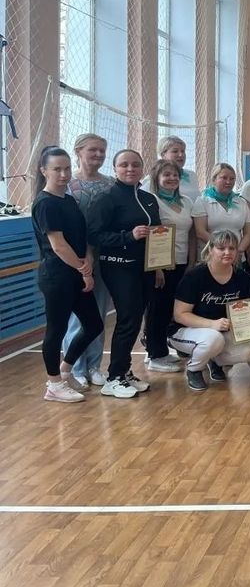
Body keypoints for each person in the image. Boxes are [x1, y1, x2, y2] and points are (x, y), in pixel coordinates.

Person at [87, 149, 162, 398]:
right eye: (124, 165)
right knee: (127, 320)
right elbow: (94, 235)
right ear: (115, 169)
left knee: (135, 319)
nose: (130, 169)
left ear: (142, 168)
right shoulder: (107, 198)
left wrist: (158, 266)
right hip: (118, 267)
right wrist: (128, 236)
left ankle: (124, 371)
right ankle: (114, 378)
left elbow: (157, 235)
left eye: (135, 164)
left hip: (144, 268)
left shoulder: (148, 198)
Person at [170, 229, 250, 390]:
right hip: (184, 331)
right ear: (211, 249)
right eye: (221, 248)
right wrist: (212, 324)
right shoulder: (195, 276)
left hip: (220, 333)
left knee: (249, 351)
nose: (227, 252)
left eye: (232, 248)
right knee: (213, 338)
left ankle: (213, 360)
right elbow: (180, 315)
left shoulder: (242, 277)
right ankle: (194, 369)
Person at [31, 146, 104, 402]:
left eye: (66, 168)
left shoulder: (69, 200)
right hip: (57, 277)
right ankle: (53, 384)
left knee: (94, 325)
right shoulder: (45, 203)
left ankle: (64, 371)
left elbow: (80, 237)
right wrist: (84, 270)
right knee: (57, 329)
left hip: (76, 274)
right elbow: (59, 245)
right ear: (44, 171)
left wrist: (87, 261)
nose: (63, 174)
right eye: (56, 169)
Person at [62, 133, 113, 389]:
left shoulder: (110, 184)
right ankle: (75, 367)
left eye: (102, 150)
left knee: (99, 313)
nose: (98, 155)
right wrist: (81, 257)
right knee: (77, 316)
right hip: (75, 258)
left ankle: (94, 365)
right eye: (93, 150)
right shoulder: (67, 185)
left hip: (103, 256)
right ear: (78, 151)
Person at [142, 159, 197, 374]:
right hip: (162, 264)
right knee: (158, 308)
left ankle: (162, 350)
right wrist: (157, 268)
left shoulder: (186, 201)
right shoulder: (152, 200)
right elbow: (151, 234)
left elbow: (191, 234)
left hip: (183, 262)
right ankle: (155, 355)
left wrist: (191, 262)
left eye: (175, 175)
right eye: (166, 175)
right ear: (156, 178)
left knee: (171, 309)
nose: (172, 178)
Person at [192, 163, 250, 264]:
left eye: (232, 179)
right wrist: (223, 249)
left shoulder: (241, 202)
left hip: (236, 259)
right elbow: (200, 232)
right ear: (214, 179)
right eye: (224, 178)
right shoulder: (202, 201)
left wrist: (238, 251)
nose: (228, 182)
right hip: (210, 258)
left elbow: (248, 233)